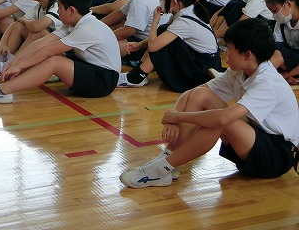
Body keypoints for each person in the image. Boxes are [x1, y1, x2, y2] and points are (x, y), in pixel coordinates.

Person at [120, 19, 299, 188]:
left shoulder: (267, 82)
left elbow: (222, 119)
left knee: (221, 122)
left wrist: (178, 116)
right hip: (255, 138)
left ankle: (160, 169)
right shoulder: (238, 72)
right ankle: (168, 158)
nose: (224, 52)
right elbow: (193, 94)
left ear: (247, 55)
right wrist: (173, 118)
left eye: (229, 48)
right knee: (201, 96)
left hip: (276, 154)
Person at [0, 0, 121, 104]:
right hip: (90, 68)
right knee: (45, 54)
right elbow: (41, 43)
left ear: (71, 11)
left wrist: (19, 65)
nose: (58, 12)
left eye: (60, 9)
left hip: (104, 81)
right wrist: (15, 62)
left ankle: (3, 91)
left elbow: (48, 50)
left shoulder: (88, 28)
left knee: (54, 60)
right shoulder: (74, 23)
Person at [117, 0, 220, 91]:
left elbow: (153, 46)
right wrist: (140, 45)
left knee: (165, 41)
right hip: (202, 63)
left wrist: (155, 20)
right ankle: (140, 72)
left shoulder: (184, 21)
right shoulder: (190, 9)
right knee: (164, 30)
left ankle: (137, 77)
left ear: (174, 2)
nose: (161, 0)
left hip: (201, 71)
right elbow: (163, 35)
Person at [265, 0, 299, 85]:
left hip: (292, 65)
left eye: (274, 10)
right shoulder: (281, 23)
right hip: (289, 62)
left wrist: (285, 75)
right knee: (270, 46)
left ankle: (260, 78)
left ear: (288, 4)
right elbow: (275, 47)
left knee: (278, 50)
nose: (273, 15)